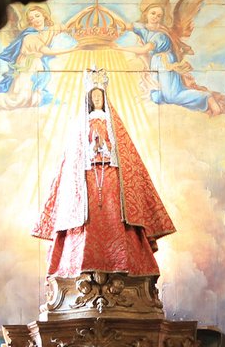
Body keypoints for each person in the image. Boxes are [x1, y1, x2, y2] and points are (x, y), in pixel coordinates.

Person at [33, 83, 175, 276]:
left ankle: (124, 263)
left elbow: (123, 153)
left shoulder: (114, 125)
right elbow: (75, 157)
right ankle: (77, 265)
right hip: (87, 178)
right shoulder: (81, 125)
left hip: (110, 175)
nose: (97, 100)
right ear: (89, 101)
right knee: (85, 215)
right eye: (94, 98)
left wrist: (106, 149)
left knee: (116, 210)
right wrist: (92, 149)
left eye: (100, 97)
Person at [0, 4, 76, 122]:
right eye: (31, 19)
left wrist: (86, 11)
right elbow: (47, 51)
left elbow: (67, 26)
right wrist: (73, 49)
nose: (35, 20)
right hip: (26, 68)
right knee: (18, 99)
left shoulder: (49, 31)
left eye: (37, 16)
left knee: (32, 98)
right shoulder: (30, 37)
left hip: (36, 68)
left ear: (44, 15)